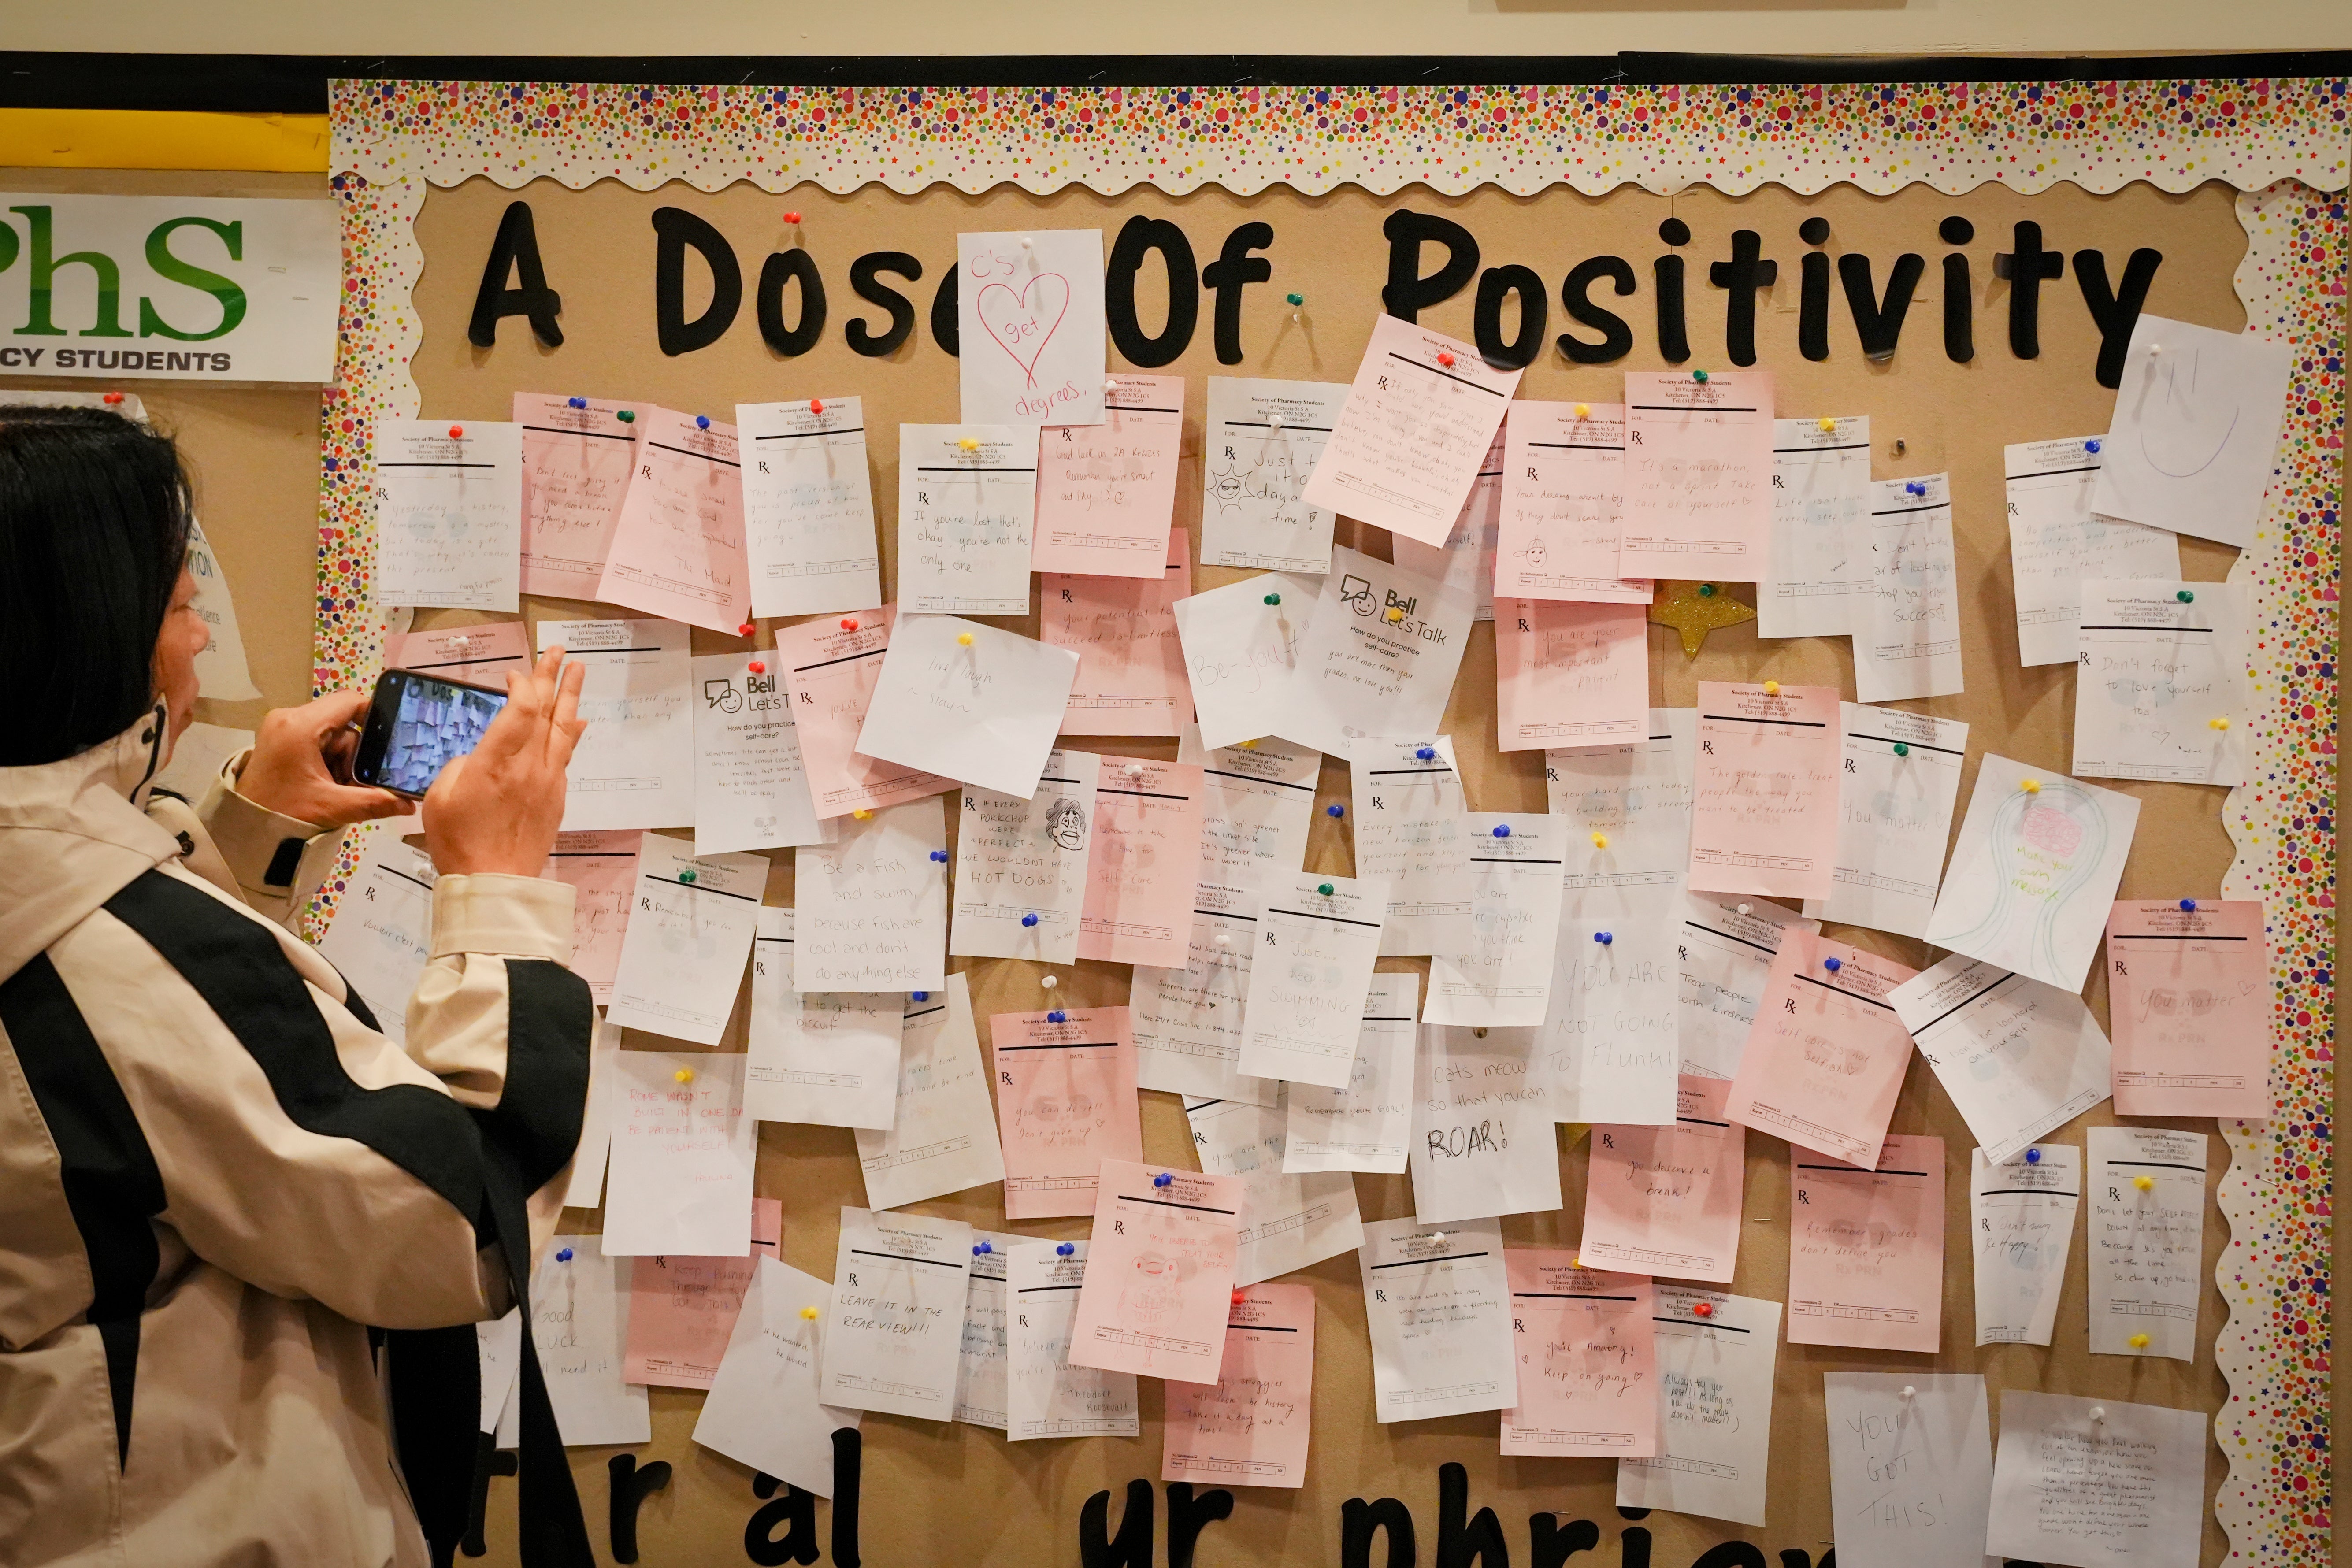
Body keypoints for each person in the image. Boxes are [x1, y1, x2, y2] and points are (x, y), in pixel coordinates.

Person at [0, 405, 597, 1568]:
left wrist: (247, 837)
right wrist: (499, 887)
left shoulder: (78, 916)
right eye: (181, 606)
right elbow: (461, 1225)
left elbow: (121, 1102)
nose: (200, 644)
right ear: (93, 633)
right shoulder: (115, 940)